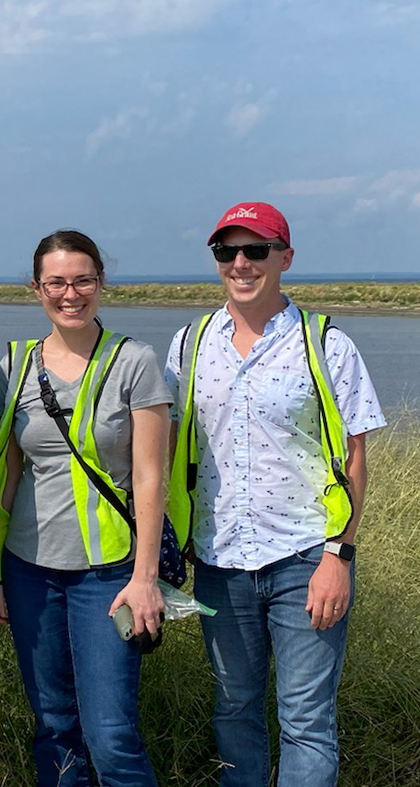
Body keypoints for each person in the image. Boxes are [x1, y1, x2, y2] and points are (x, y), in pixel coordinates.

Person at [165, 202, 386, 787]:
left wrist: (338, 555)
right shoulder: (188, 346)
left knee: (306, 720)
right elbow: (164, 450)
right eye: (227, 251)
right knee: (234, 709)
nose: (241, 263)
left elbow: (355, 457)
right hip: (219, 561)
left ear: (285, 258)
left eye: (256, 250)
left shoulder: (326, 344)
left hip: (308, 556)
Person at [0, 230, 169, 787]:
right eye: (56, 282)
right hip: (29, 571)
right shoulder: (14, 365)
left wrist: (145, 578)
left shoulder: (135, 362)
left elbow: (151, 479)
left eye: (83, 279)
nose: (70, 293)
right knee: (55, 725)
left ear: (101, 283)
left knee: (111, 733)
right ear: (37, 288)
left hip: (110, 574)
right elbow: (4, 477)